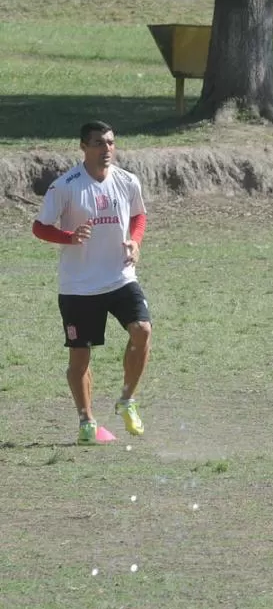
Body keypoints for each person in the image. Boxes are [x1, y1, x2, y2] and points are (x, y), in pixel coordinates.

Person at [33, 121, 151, 445]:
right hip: (79, 286)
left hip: (120, 276)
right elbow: (40, 227)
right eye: (99, 143)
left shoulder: (128, 181)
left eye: (111, 142)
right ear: (83, 147)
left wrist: (136, 241)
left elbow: (138, 216)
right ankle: (87, 422)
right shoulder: (66, 186)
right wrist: (68, 237)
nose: (106, 149)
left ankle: (127, 399)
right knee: (80, 358)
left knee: (142, 330)